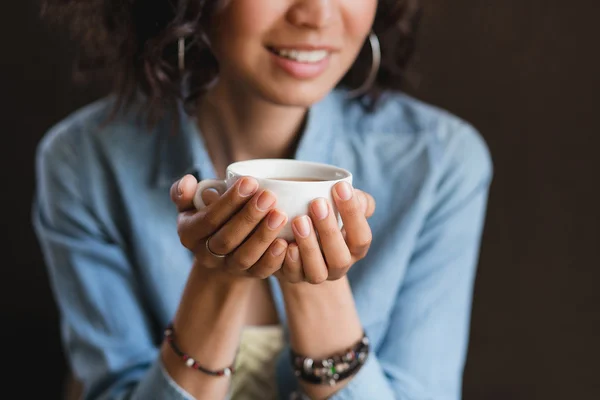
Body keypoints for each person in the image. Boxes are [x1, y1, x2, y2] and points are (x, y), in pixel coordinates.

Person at [33, 0, 493, 399]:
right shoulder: (84, 164)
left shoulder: (439, 164)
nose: (318, 16)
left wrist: (316, 286)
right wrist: (217, 279)